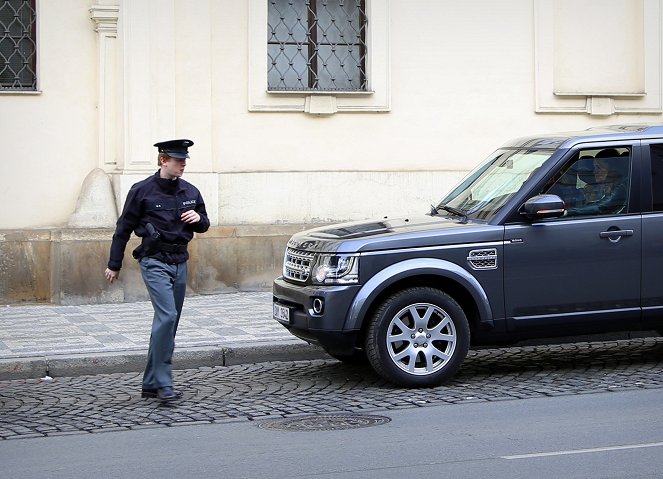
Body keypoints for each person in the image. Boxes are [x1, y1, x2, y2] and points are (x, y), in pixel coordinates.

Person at [104, 139, 210, 403]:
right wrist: (114, 264)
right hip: (154, 261)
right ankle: (164, 384)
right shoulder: (142, 191)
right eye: (177, 160)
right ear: (163, 160)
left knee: (167, 323)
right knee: (167, 316)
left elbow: (204, 223)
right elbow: (123, 229)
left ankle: (150, 383)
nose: (183, 164)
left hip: (180, 261)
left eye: (185, 160)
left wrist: (198, 220)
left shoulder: (191, 191)